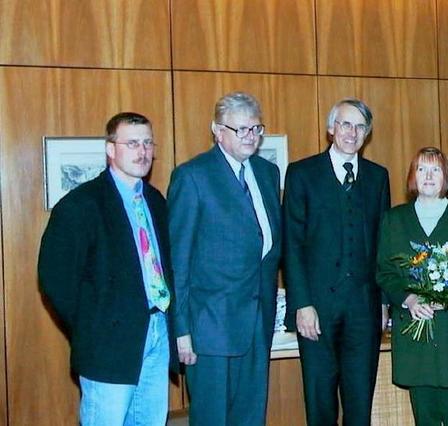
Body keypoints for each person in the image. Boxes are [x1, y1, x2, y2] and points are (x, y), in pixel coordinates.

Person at [38, 112, 176, 425]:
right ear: (110, 149)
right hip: (107, 343)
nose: (142, 152)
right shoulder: (81, 205)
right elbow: (54, 277)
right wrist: (93, 322)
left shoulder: (155, 201)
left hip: (156, 332)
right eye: (131, 144)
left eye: (147, 143)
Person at [167, 92, 282, 425]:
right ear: (217, 130)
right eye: (240, 130)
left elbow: (269, 249)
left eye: (256, 129)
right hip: (210, 328)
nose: (250, 137)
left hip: (257, 322)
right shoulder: (193, 177)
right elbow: (179, 261)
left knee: (250, 417)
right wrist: (181, 329)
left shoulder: (267, 173)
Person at [283, 98, 390, 425]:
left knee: (360, 405)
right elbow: (292, 244)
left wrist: (384, 302)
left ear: (366, 134)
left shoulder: (377, 177)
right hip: (317, 309)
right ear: (331, 129)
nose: (352, 132)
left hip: (364, 308)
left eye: (360, 126)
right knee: (320, 403)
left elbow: (384, 245)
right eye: (345, 124)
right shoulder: (302, 174)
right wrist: (302, 304)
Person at [376, 147, 448, 426]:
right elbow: (384, 271)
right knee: (424, 418)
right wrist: (409, 299)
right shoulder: (394, 219)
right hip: (414, 338)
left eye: (436, 169)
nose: (428, 176)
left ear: (446, 177)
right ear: (413, 177)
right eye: (422, 169)